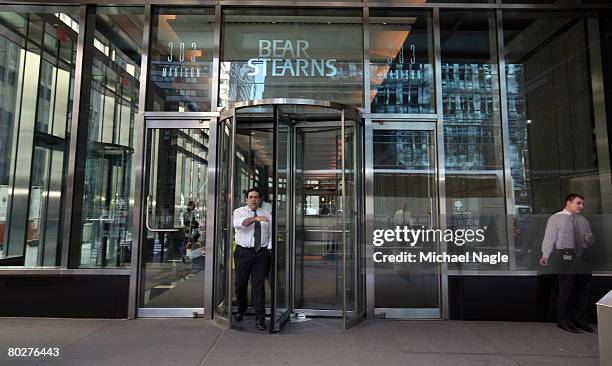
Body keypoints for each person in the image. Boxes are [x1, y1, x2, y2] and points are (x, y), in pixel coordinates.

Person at [539, 193, 595, 333]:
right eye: (578, 203)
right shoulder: (556, 218)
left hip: (582, 256)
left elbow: (590, 237)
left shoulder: (583, 220)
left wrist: (588, 240)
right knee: (566, 290)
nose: (581, 206)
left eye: (582, 204)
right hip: (565, 255)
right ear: (568, 203)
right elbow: (550, 237)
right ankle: (564, 320)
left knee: (582, 290)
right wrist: (546, 255)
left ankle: (580, 320)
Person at [232, 187, 272, 330]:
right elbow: (238, 224)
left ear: (260, 199)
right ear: (247, 199)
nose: (253, 199)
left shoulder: (267, 214)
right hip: (243, 253)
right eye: (251, 197)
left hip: (261, 254)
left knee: (258, 286)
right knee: (240, 284)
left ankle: (260, 319)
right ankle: (241, 309)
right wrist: (255, 219)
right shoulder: (239, 212)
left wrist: (269, 249)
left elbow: (270, 233)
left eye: (256, 197)